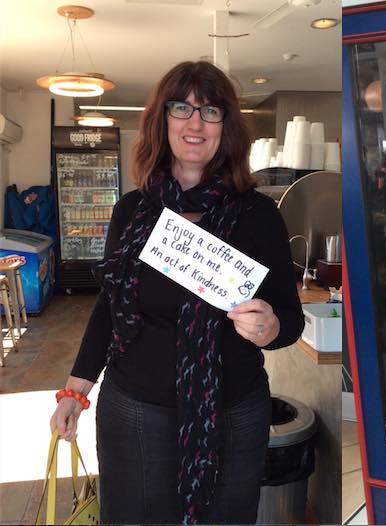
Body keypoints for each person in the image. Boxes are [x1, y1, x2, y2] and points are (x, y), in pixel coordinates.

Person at [49, 61, 305, 524]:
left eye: (210, 111)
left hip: (231, 413)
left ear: (226, 127)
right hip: (135, 412)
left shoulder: (259, 215)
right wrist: (76, 390)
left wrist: (270, 327)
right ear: (161, 120)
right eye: (181, 108)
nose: (195, 123)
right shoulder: (132, 211)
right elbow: (110, 306)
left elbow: (290, 320)